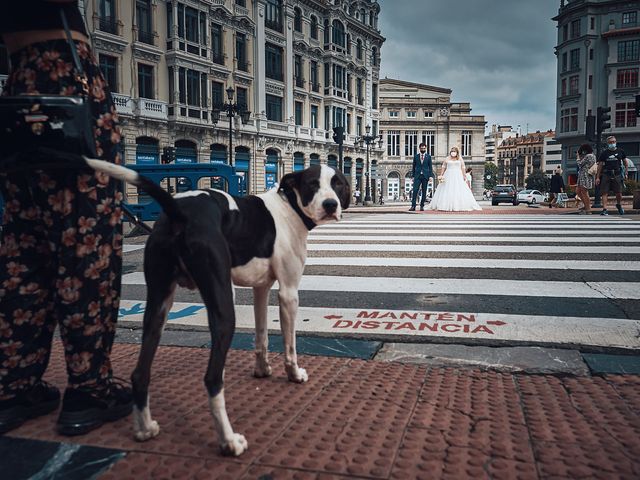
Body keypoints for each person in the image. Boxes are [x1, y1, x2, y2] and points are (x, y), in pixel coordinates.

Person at [0, 0, 132, 436]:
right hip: (67, 84)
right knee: (85, 249)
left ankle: (15, 387)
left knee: (24, 248)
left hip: (18, 87)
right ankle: (88, 389)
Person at [428, 146, 481, 211]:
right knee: (446, 189)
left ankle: (459, 205)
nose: (453, 153)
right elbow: (443, 167)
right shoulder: (447, 158)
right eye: (452, 151)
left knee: (458, 189)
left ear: (457, 152)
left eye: (454, 151)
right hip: (448, 174)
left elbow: (463, 167)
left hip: (457, 175)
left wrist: (464, 176)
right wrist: (441, 175)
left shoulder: (460, 159)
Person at [596, 135, 629, 216]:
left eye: (613, 142)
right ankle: (604, 209)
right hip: (606, 174)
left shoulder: (620, 151)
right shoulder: (604, 153)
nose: (612, 143)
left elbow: (625, 162)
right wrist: (597, 177)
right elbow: (600, 165)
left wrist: (626, 172)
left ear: (616, 142)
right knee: (604, 192)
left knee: (618, 193)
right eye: (610, 142)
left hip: (617, 174)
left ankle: (619, 204)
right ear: (607, 143)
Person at [409, 143, 433, 211]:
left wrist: (430, 176)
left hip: (425, 176)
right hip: (417, 176)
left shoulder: (428, 157)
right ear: (419, 148)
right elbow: (413, 167)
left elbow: (430, 167)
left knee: (424, 191)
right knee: (415, 190)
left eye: (424, 148)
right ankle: (413, 206)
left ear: (426, 148)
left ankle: (422, 205)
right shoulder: (416, 156)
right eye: (422, 148)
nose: (423, 149)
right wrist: (413, 176)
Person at [575, 144, 596, 215]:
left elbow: (580, 164)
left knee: (584, 192)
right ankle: (586, 206)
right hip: (582, 175)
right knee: (578, 191)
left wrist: (578, 157)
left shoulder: (589, 156)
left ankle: (588, 209)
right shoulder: (592, 156)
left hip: (585, 175)